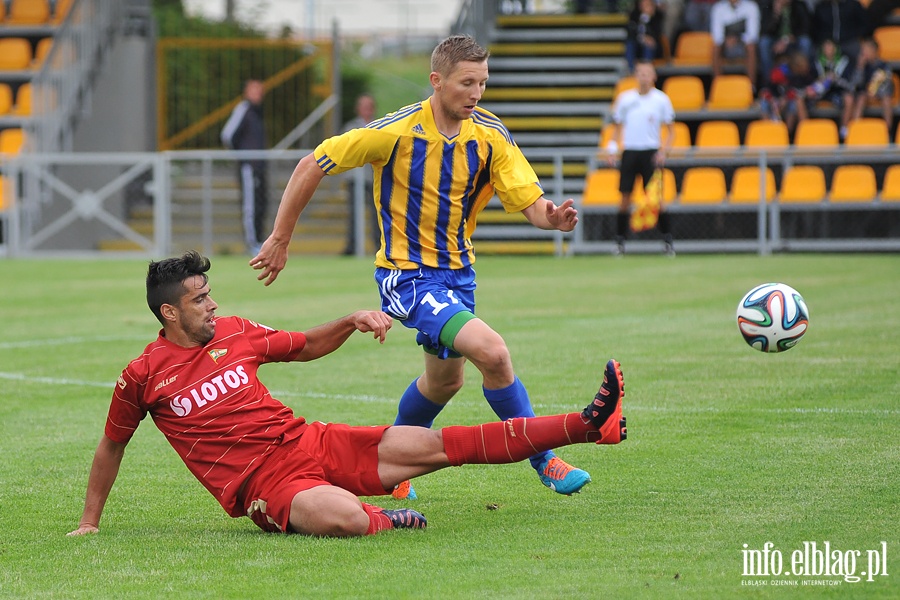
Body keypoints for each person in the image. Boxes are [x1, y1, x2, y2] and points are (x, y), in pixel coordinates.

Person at [67, 252, 627, 538]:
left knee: (438, 444)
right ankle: (385, 519)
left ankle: (587, 425)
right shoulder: (142, 375)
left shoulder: (236, 332)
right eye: (200, 299)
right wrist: (91, 522)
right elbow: (112, 445)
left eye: (211, 296)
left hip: (310, 441)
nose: (212, 305)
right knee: (344, 519)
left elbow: (307, 344)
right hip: (265, 484)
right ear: (170, 311)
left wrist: (352, 319)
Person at [249, 35, 590, 500]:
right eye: (467, 82)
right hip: (406, 276)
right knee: (492, 352)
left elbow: (530, 202)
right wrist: (280, 238)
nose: (476, 93)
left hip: (458, 276)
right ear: (437, 80)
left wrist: (551, 218)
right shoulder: (394, 130)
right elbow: (313, 163)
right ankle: (544, 458)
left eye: (483, 83)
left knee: (444, 382)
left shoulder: (490, 135)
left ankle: (392, 465)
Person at [606, 60, 675, 257]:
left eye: (647, 73)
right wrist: (611, 149)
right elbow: (616, 129)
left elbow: (671, 131)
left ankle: (668, 241)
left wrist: (663, 151)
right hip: (630, 152)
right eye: (640, 73)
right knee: (624, 199)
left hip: (650, 153)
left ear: (653, 77)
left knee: (656, 199)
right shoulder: (625, 99)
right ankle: (620, 242)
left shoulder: (661, 100)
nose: (643, 77)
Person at [221, 79, 269, 256]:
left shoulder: (257, 113)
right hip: (249, 167)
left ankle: (261, 241)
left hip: (260, 166)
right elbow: (227, 135)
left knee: (262, 203)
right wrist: (241, 158)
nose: (258, 94)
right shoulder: (243, 109)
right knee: (250, 205)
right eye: (254, 90)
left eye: (260, 90)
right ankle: (252, 244)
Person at [341, 94, 379, 256]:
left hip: (374, 178)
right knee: (353, 215)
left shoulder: (381, 126)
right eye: (363, 106)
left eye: (369, 106)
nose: (366, 110)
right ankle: (352, 246)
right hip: (355, 178)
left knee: (377, 215)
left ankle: (379, 246)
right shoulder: (350, 126)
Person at [758, 0, 813, 87]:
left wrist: (786, 40)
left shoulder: (799, 6)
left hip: (794, 40)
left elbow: (805, 29)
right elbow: (765, 31)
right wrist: (776, 14)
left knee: (805, 42)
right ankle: (768, 82)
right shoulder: (768, 6)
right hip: (775, 41)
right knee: (764, 43)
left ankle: (803, 81)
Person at [846, 37, 895, 134]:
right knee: (860, 99)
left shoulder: (884, 65)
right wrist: (860, 68)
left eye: (866, 50)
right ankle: (855, 130)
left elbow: (886, 83)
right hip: (865, 94)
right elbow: (855, 84)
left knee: (887, 100)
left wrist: (874, 91)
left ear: (874, 51)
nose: (863, 53)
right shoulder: (862, 65)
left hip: (881, 93)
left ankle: (887, 132)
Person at [759, 50, 816, 132]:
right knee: (764, 103)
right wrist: (774, 100)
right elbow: (767, 90)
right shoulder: (779, 73)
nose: (806, 68)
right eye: (803, 65)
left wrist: (785, 99)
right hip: (773, 99)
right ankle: (768, 131)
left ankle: (788, 133)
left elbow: (796, 91)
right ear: (797, 65)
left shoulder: (803, 75)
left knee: (794, 104)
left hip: (788, 100)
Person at [709, 0, 761, 84]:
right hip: (725, 47)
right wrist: (726, 40)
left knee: (751, 47)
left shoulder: (751, 7)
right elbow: (716, 35)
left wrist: (737, 39)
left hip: (743, 45)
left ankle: (751, 87)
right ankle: (717, 86)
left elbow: (753, 35)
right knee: (715, 48)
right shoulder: (718, 8)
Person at [626, 0, 665, 73]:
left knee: (649, 45)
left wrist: (649, 18)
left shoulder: (657, 17)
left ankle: (646, 70)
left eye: (648, 4)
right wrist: (642, 38)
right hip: (637, 42)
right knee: (630, 44)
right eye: (643, 4)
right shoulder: (634, 15)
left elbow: (658, 34)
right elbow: (631, 31)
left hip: (653, 46)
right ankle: (631, 70)